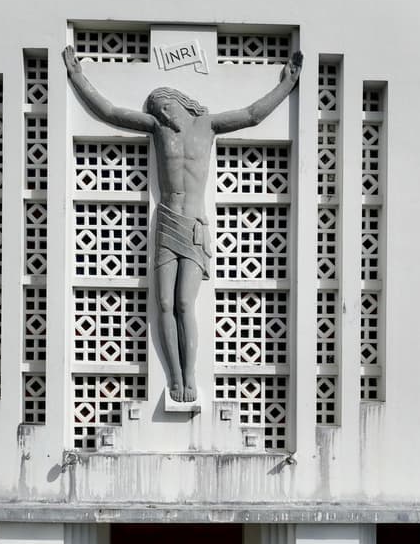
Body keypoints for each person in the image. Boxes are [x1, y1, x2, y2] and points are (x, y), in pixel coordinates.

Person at [62, 46, 302, 404]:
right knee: (163, 302)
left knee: (185, 305)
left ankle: (189, 376)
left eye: (163, 106)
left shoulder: (208, 125)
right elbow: (110, 111)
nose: (160, 112)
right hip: (166, 222)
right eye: (157, 109)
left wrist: (287, 85)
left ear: (181, 104)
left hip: (192, 226)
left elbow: (252, 115)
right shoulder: (158, 128)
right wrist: (78, 77)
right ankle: (174, 376)